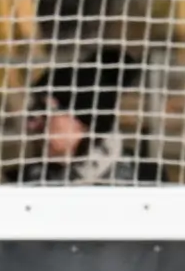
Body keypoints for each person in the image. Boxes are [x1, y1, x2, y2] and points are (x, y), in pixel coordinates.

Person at [11, 53, 159, 184]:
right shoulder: (22, 185)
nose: (31, 126)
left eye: (44, 112)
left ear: (84, 122)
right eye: (32, 112)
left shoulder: (145, 181)